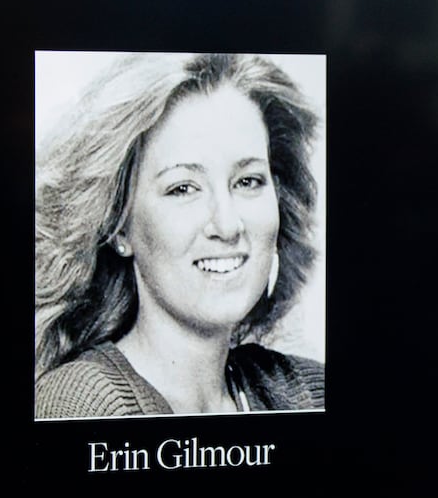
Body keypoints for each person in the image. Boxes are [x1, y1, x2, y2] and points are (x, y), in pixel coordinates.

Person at [34, 52, 325, 418]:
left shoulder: (311, 391)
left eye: (248, 181)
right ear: (118, 227)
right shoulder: (79, 404)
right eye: (183, 188)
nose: (228, 224)